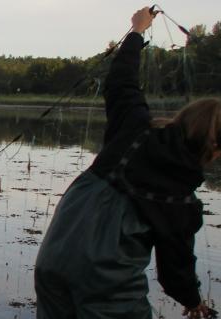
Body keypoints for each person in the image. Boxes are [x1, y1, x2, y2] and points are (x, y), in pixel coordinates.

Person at [35, 7, 218, 319]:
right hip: (108, 286)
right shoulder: (181, 199)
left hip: (53, 260)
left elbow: (122, 81)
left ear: (184, 118)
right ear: (213, 149)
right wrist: (192, 300)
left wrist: (136, 31)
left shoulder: (132, 127)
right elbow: (175, 269)